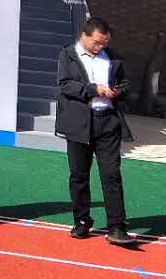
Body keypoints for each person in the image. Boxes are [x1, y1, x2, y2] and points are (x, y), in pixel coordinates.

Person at [55, 17, 137, 245]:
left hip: (107, 122)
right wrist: (94, 89)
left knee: (111, 175)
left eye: (105, 43)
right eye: (97, 42)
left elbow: (126, 84)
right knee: (79, 175)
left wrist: (117, 91)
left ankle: (117, 226)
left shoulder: (112, 57)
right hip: (78, 123)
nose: (101, 46)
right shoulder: (68, 55)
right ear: (84, 36)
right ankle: (82, 221)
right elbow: (65, 85)